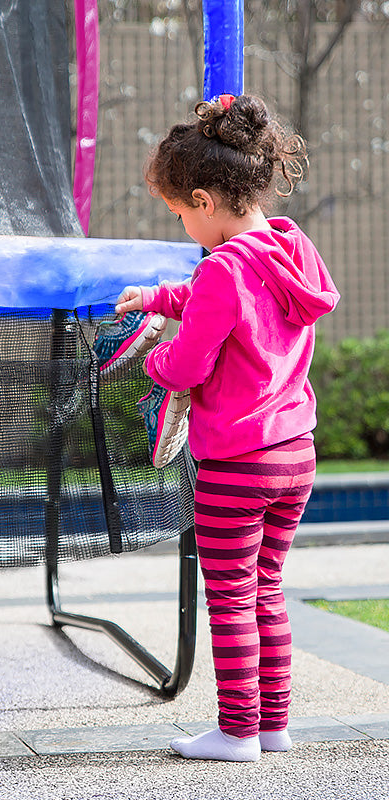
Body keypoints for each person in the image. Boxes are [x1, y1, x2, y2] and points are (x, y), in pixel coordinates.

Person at [109, 94, 340, 761]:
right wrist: (159, 296)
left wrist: (152, 357)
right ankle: (273, 726)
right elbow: (234, 300)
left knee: (231, 598)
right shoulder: (287, 248)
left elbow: (187, 362)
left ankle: (236, 732)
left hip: (237, 461)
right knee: (267, 590)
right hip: (295, 452)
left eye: (179, 213)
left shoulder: (220, 271)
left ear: (205, 201)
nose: (181, 224)